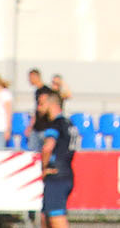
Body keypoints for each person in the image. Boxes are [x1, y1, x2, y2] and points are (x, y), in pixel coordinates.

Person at [31, 83, 77, 228]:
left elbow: (47, 148)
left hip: (55, 173)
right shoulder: (69, 124)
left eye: (41, 104)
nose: (38, 108)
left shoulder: (55, 125)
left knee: (56, 218)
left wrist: (44, 168)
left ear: (51, 104)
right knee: (45, 217)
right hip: (66, 172)